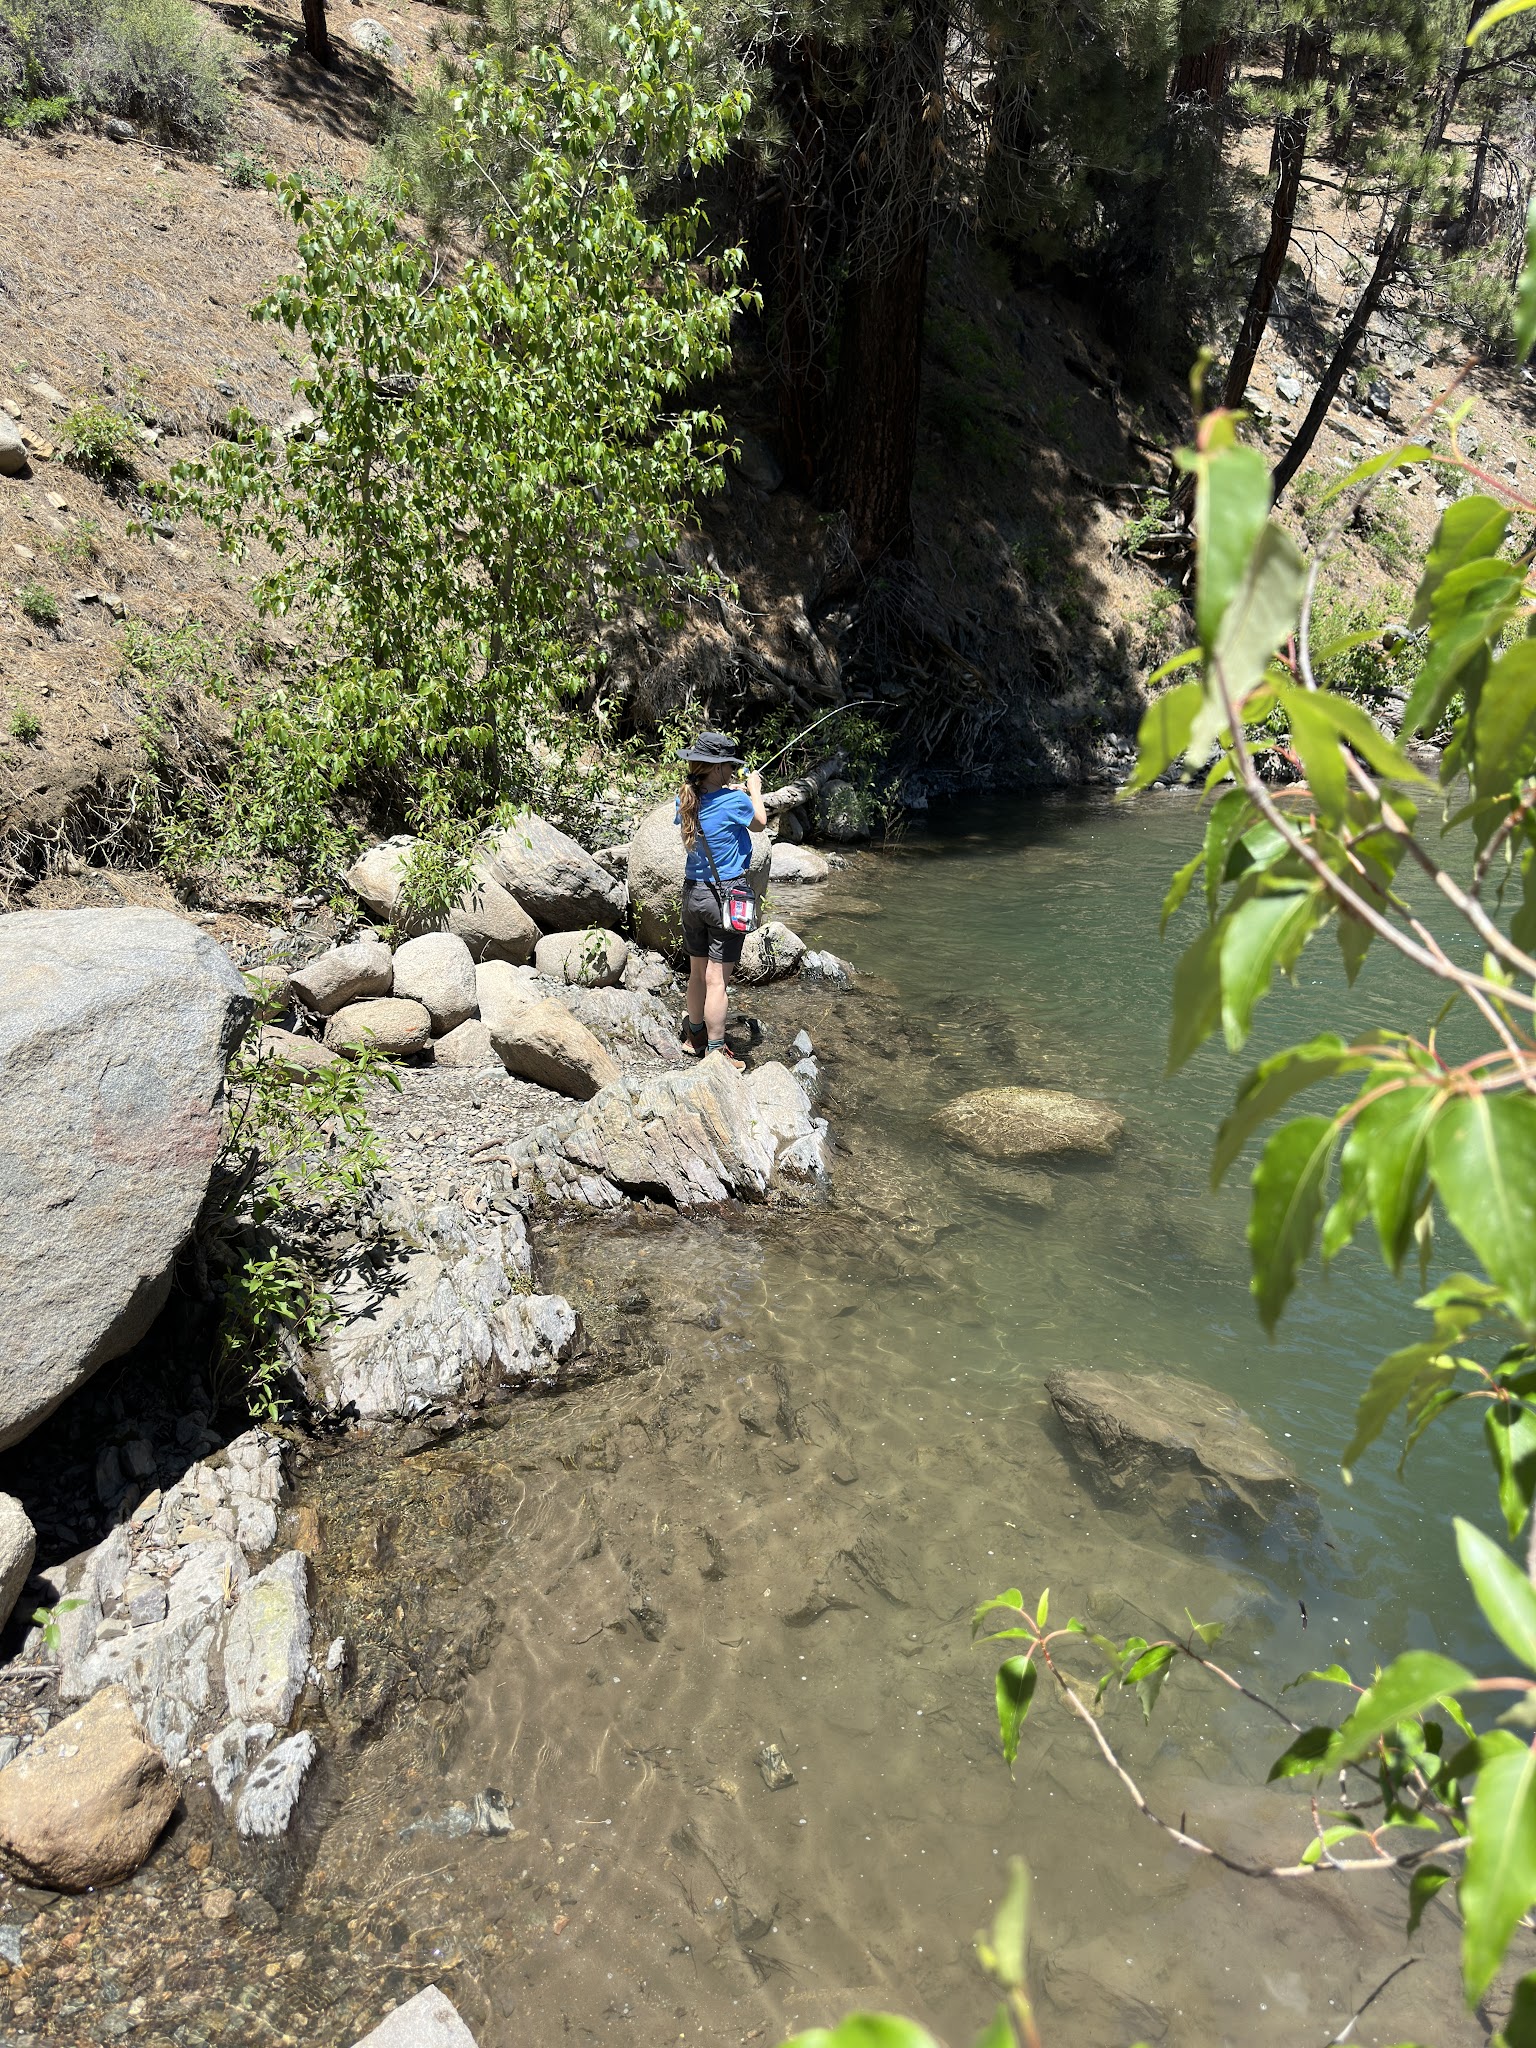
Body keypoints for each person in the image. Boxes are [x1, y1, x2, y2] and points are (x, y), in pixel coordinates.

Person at [676, 729, 766, 1071]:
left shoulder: (686, 797)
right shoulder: (737, 801)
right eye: (728, 766)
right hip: (725, 897)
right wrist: (754, 792)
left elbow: (714, 806)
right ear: (715, 769)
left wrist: (731, 792)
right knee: (717, 980)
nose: (732, 771)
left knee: (697, 974)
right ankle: (716, 1054)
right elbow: (759, 823)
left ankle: (694, 1035)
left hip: (693, 895)